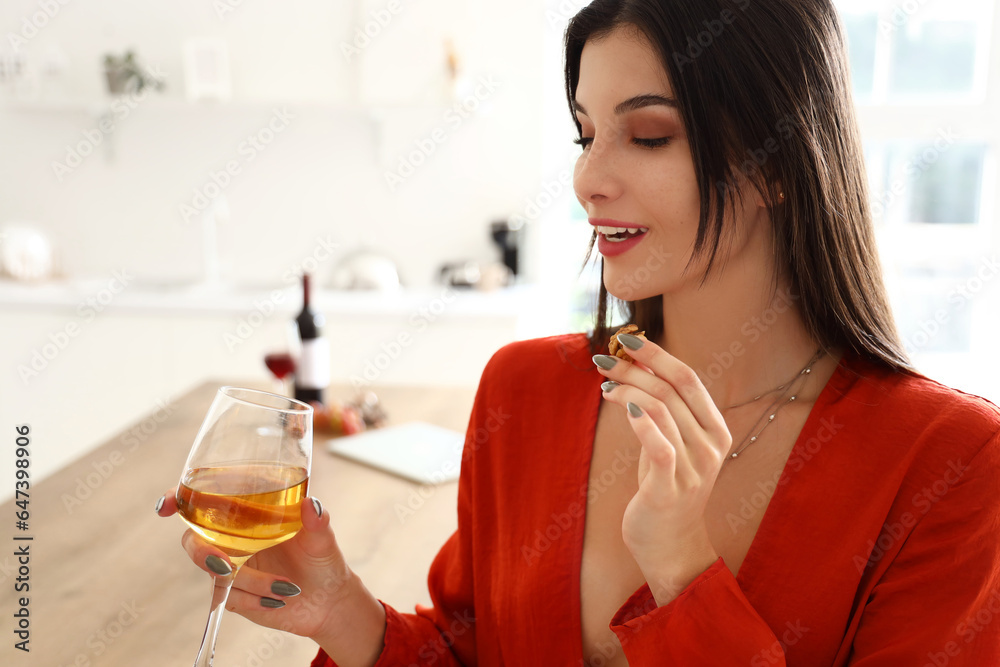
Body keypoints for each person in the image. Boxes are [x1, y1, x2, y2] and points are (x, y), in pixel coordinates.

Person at [157, 0, 1000, 664]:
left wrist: (682, 569)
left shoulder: (953, 464)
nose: (589, 178)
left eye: (649, 135)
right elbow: (475, 652)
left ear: (779, 162)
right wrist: (348, 613)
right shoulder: (524, 390)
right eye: (586, 133)